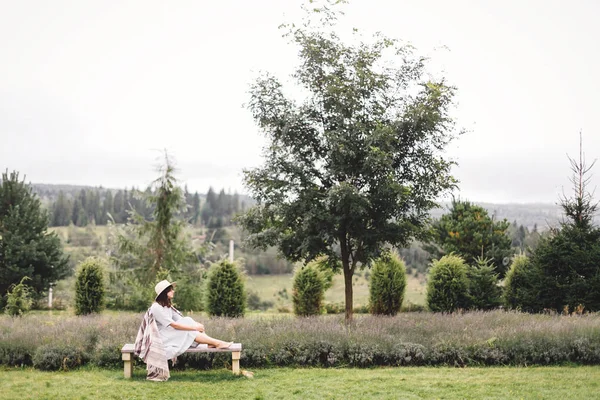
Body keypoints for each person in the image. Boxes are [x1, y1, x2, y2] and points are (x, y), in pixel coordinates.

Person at [151, 279, 232, 360]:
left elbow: (181, 319)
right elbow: (174, 325)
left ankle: (212, 343)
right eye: (170, 290)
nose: (173, 291)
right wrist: (195, 328)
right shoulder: (156, 307)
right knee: (190, 329)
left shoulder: (167, 306)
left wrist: (196, 324)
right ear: (164, 293)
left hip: (169, 334)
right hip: (162, 338)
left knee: (188, 320)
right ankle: (216, 343)